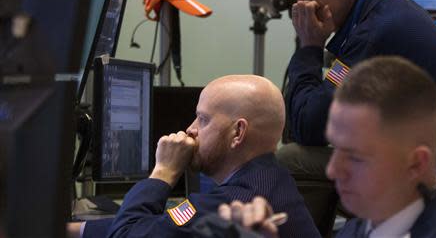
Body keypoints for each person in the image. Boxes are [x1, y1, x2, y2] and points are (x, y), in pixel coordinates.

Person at [277, 0, 436, 191]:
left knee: (291, 159)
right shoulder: (386, 11)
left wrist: (310, 45)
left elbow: (308, 126)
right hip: (428, 149)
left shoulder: (373, 33)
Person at [221, 56, 436, 238]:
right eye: (335, 147)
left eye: (355, 156)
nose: (332, 170)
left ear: (416, 163)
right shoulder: (364, 224)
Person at [67, 75, 320, 238]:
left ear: (238, 132)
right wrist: (72, 231)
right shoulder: (269, 179)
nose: (190, 129)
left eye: (203, 119)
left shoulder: (234, 205)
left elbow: (127, 235)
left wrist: (163, 172)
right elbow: (159, 227)